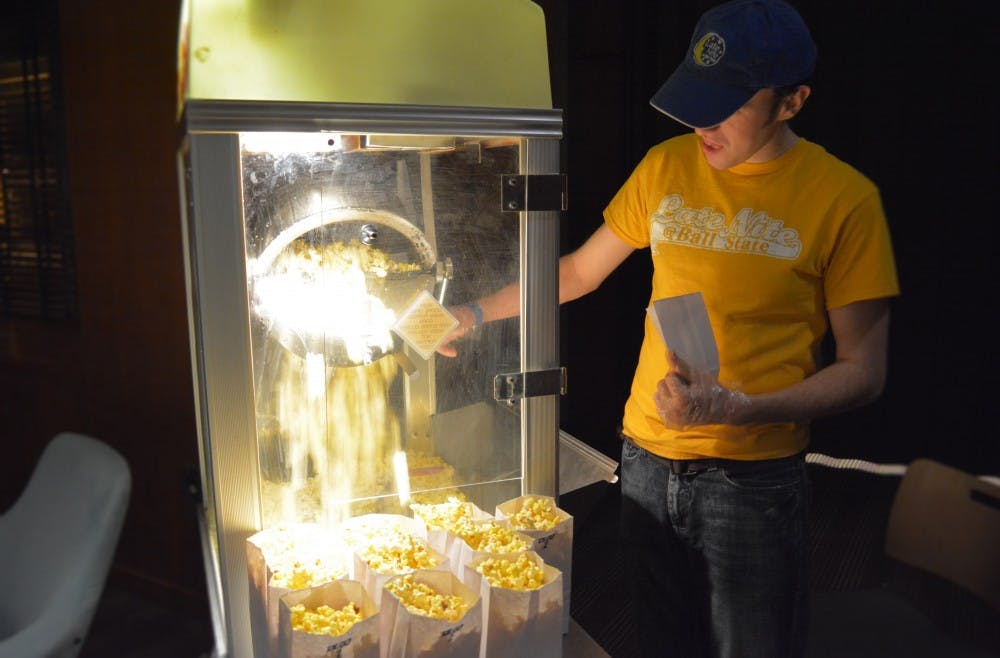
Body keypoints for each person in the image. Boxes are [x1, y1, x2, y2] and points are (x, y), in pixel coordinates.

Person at [442, 0, 899, 656]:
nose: (702, 122)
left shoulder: (845, 200)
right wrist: (474, 312)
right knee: (660, 638)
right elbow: (575, 272)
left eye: (729, 103)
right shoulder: (666, 167)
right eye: (696, 97)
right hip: (649, 457)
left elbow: (864, 371)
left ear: (791, 103)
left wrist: (741, 409)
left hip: (753, 477)